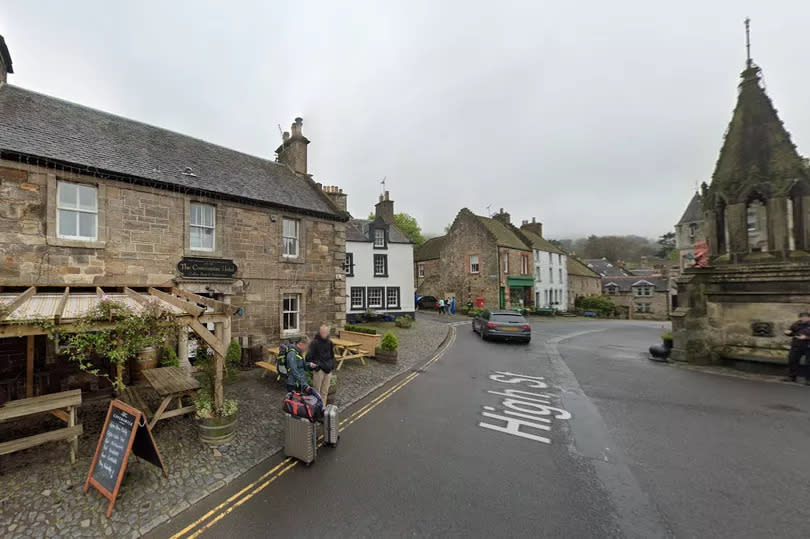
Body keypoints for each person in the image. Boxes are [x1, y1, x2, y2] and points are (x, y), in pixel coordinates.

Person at [308, 325, 335, 406]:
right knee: (316, 391)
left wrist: (331, 365)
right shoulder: (314, 343)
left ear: (328, 333)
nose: (324, 334)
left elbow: (332, 355)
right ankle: (315, 408)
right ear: (320, 332)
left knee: (325, 391)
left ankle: (322, 408)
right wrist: (317, 365)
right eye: (322, 332)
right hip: (319, 370)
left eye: (325, 332)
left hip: (328, 369)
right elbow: (308, 357)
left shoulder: (330, 342)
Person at [784, 312, 810, 384]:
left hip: (808, 345)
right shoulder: (796, 323)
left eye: (804, 317)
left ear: (808, 317)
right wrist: (788, 332)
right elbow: (791, 331)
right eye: (801, 317)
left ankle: (808, 379)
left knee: (808, 363)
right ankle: (792, 377)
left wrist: (807, 337)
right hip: (797, 344)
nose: (802, 318)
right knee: (792, 360)